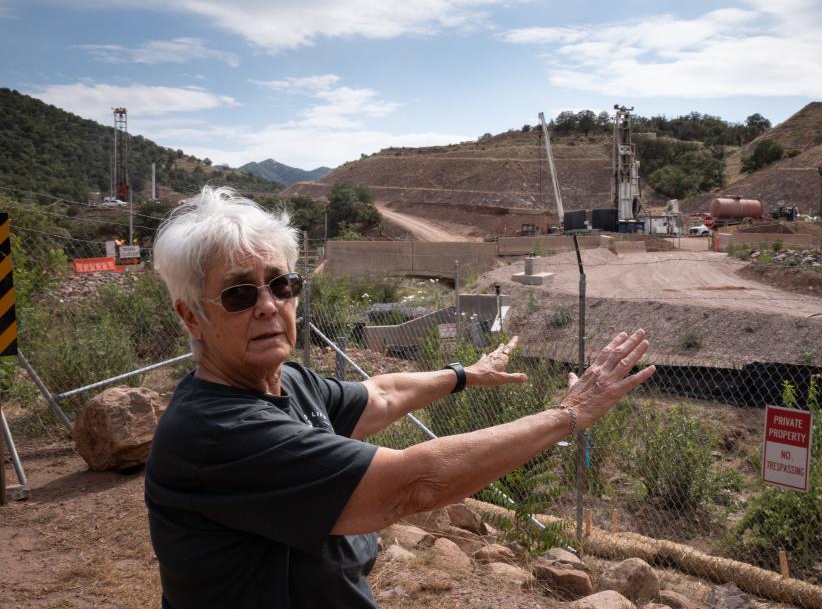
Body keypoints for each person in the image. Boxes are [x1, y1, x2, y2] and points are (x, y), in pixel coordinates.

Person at [144, 187, 656, 609]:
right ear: (191, 315)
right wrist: (569, 414)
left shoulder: (287, 381)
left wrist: (462, 374)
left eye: (282, 285)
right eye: (239, 293)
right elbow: (415, 484)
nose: (268, 305)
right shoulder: (218, 432)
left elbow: (381, 393)